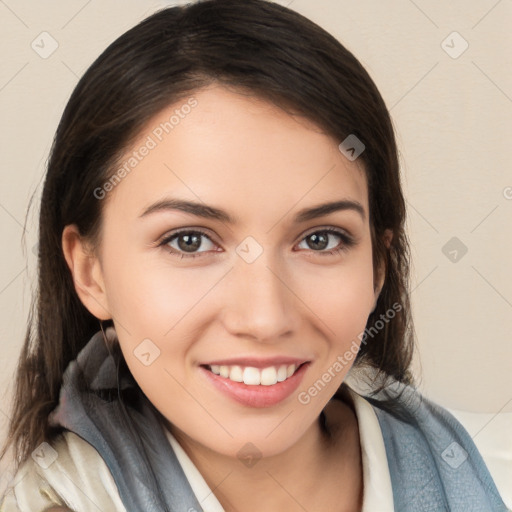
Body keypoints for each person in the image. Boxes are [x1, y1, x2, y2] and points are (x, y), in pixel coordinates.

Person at [0, 0, 508, 511]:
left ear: (378, 265)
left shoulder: (490, 475)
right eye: (190, 241)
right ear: (90, 272)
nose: (265, 318)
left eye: (320, 239)